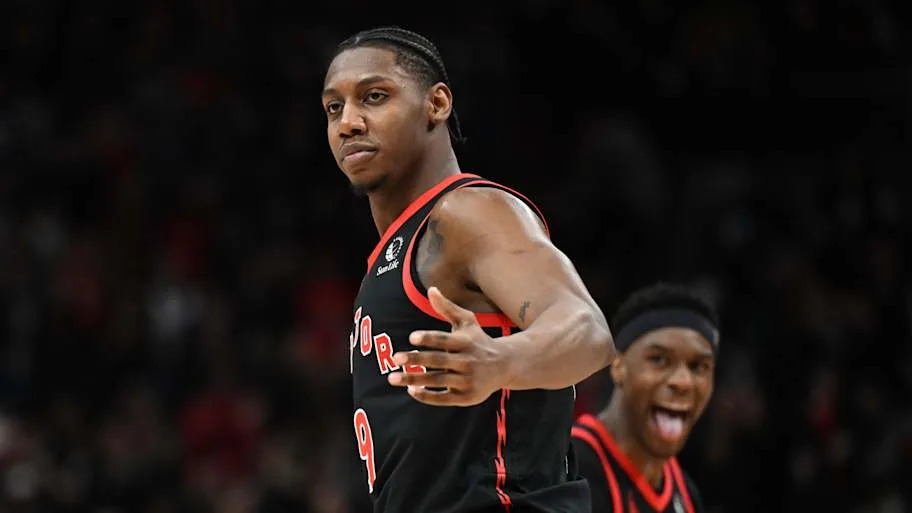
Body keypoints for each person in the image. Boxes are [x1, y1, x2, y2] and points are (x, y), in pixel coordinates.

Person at [322, 26, 615, 512]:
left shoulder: (467, 213)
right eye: (334, 107)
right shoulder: (393, 253)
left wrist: (500, 363)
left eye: (374, 97)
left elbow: (587, 330)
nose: (348, 122)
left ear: (436, 104)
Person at [571, 283, 718, 513]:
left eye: (698, 366)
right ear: (618, 366)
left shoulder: (686, 494)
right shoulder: (570, 468)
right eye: (659, 360)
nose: (682, 382)